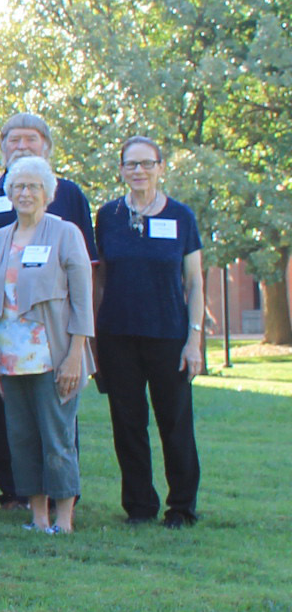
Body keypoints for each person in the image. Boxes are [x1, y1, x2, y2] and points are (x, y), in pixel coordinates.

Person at [0, 113, 96, 511]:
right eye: (13, 140)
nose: (21, 146)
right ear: (2, 146)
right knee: (5, 422)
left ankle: (63, 501)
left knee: (56, 426)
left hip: (52, 339)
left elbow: (83, 278)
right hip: (4, 341)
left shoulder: (69, 197)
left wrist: (80, 344)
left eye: (31, 139)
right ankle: (15, 495)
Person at [92, 136, 203, 526]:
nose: (138, 171)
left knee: (174, 423)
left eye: (146, 163)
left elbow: (194, 282)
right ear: (121, 170)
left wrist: (194, 340)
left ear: (160, 167)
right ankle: (139, 507)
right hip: (117, 335)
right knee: (127, 423)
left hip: (168, 335)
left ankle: (181, 508)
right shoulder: (107, 216)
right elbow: (101, 278)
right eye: (130, 164)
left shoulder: (181, 217)